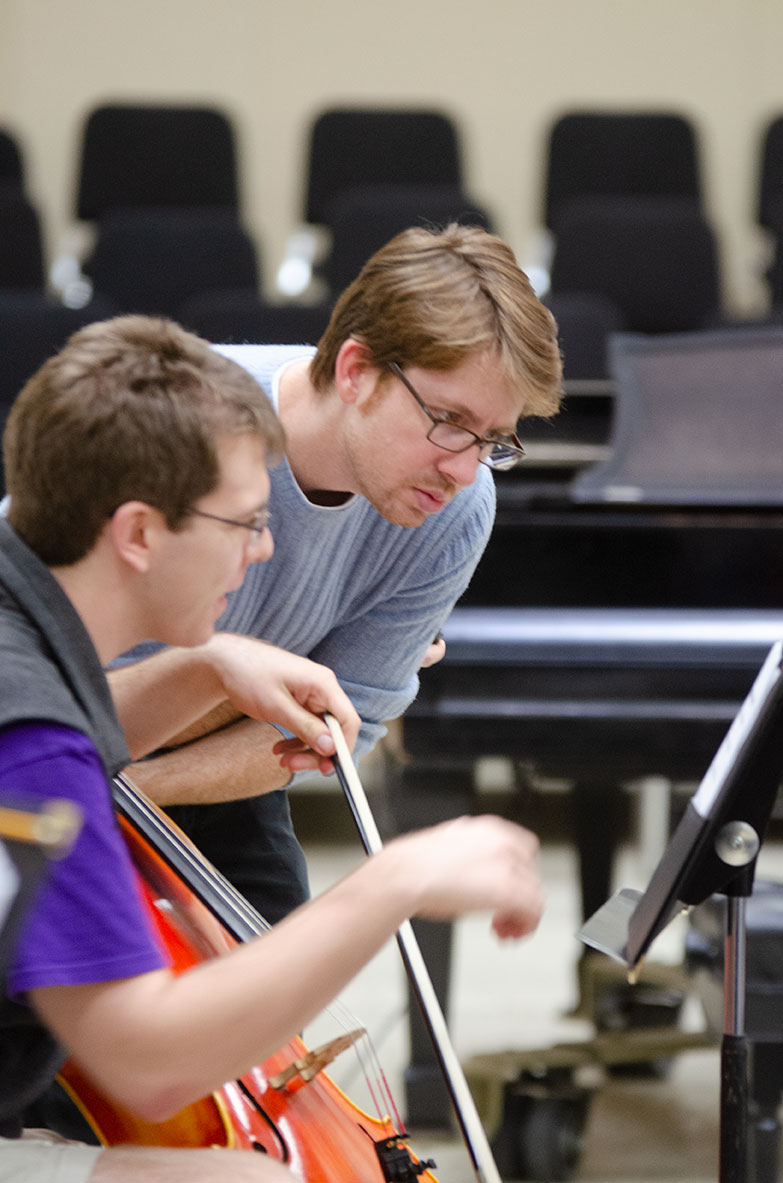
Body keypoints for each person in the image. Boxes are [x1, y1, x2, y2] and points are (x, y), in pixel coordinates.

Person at [0, 313, 545, 1182]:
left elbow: (79, 742)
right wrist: (394, 879)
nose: (260, 554)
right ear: (140, 533)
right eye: (246, 523)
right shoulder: (32, 740)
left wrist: (206, 663)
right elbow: (148, 1060)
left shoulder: (20, 634)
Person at [111, 223, 564, 924]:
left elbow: (336, 730)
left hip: (188, 775)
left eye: (493, 440)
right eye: (447, 420)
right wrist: (270, 678)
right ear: (355, 370)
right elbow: (44, 692)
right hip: (49, 745)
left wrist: (138, 790)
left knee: (277, 978)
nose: (464, 469)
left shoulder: (458, 507)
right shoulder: (164, 421)